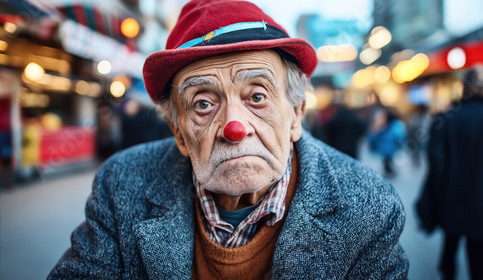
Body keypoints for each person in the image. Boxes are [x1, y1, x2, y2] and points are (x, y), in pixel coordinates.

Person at [49, 0, 408, 279]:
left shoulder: (369, 208)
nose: (234, 127)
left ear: (296, 115)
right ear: (179, 133)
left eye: (257, 97)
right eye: (203, 103)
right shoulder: (120, 183)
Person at [416, 66, 483, 280]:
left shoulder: (446, 119)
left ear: (464, 87)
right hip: (480, 203)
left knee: (449, 247)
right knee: (478, 255)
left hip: (451, 198)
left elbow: (436, 165)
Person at [368, 107, 406, 178]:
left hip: (386, 147)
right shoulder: (397, 124)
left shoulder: (387, 124)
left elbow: (374, 135)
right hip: (391, 147)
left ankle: (390, 171)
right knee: (388, 160)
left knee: (387, 160)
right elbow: (400, 136)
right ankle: (390, 172)